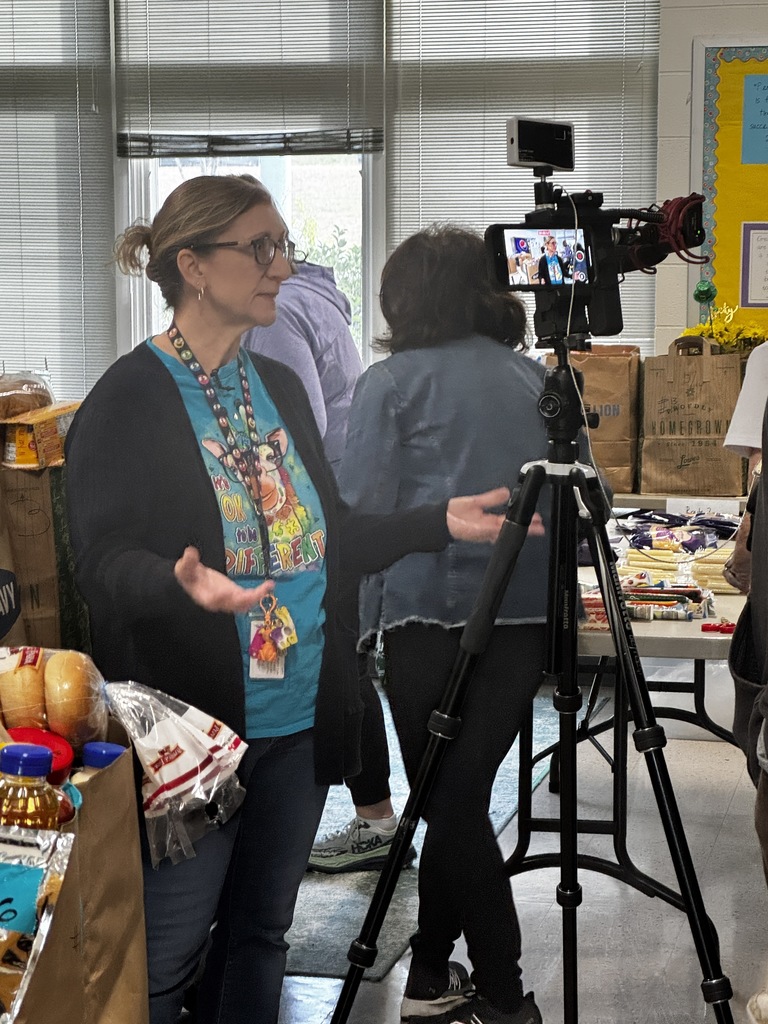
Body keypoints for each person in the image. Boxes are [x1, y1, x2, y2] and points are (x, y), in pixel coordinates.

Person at [64, 174, 509, 1024]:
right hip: (195, 732)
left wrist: (438, 520)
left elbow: (328, 535)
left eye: (284, 246)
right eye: (260, 249)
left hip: (302, 716)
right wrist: (178, 581)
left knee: (263, 934)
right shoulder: (129, 399)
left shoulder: (278, 386)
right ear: (193, 266)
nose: (282, 267)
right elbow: (102, 563)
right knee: (168, 959)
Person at [339, 224, 551, 1024]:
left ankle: (503, 992)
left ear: (402, 298)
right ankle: (429, 973)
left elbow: (361, 511)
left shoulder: (390, 384)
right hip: (526, 616)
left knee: (449, 804)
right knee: (456, 792)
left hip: (426, 616)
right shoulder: (535, 378)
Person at [242, 261, 410, 872]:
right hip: (329, 500)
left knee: (329, 662)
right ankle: (374, 816)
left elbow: (293, 427)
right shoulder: (315, 296)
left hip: (305, 513)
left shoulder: (279, 310)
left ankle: (373, 820)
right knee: (340, 658)